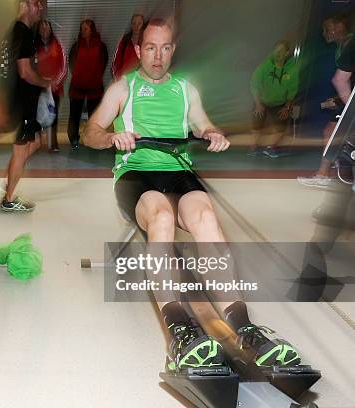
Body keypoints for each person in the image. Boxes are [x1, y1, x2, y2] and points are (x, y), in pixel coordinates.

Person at [83, 18, 302, 371]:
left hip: (179, 171)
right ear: (139, 50)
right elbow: (89, 132)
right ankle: (179, 331)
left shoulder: (186, 89)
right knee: (162, 215)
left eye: (165, 48)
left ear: (173, 50)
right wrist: (111, 137)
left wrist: (214, 133)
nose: (157, 56)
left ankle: (244, 326)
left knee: (205, 217)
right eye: (150, 48)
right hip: (137, 174)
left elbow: (204, 124)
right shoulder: (124, 88)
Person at [0, 0, 51, 212]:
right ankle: (9, 200)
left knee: (36, 142)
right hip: (22, 105)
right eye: (36, 3)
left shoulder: (21, 30)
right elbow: (25, 72)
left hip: (25, 104)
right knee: (20, 152)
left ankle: (10, 176)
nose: (40, 7)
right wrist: (45, 82)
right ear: (25, 4)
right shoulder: (22, 32)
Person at [298, 14, 354, 188]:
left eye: (326, 28)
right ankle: (323, 174)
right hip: (349, 99)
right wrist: (339, 100)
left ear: (339, 27)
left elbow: (340, 80)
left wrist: (350, 108)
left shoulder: (351, 44)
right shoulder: (343, 47)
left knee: (334, 132)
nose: (324, 33)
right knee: (330, 130)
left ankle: (326, 174)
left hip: (351, 102)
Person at [249, 40, 299, 158]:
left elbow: (293, 89)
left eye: (281, 51)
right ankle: (253, 147)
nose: (278, 54)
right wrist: (258, 104)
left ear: (287, 53)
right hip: (262, 101)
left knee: (282, 129)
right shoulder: (265, 66)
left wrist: (287, 107)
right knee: (256, 126)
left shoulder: (292, 68)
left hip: (280, 103)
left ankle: (271, 148)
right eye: (276, 51)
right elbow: (254, 84)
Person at [68, 19, 108, 150]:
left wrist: (94, 77)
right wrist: (79, 76)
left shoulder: (101, 46)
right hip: (77, 86)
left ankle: (93, 139)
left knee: (94, 116)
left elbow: (103, 62)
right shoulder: (76, 46)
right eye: (82, 28)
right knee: (75, 115)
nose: (83, 31)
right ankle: (74, 139)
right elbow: (71, 63)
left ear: (92, 30)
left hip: (94, 87)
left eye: (85, 28)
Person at [35, 18, 67, 152]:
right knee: (36, 115)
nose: (44, 30)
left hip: (55, 87)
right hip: (38, 86)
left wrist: (55, 83)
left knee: (53, 116)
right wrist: (39, 82)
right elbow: (30, 66)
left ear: (50, 29)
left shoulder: (58, 44)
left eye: (46, 27)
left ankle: (53, 143)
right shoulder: (33, 45)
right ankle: (35, 143)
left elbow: (64, 66)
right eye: (41, 27)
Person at [111, 13, 144, 80]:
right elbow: (116, 61)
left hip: (141, 80)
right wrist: (117, 77)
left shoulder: (146, 41)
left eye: (139, 23)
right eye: (134, 23)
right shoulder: (125, 41)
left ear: (143, 25)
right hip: (126, 79)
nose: (136, 26)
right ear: (131, 25)